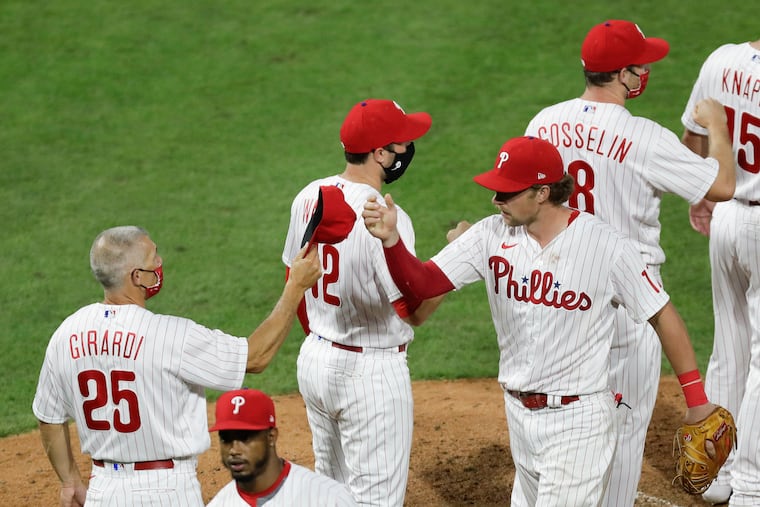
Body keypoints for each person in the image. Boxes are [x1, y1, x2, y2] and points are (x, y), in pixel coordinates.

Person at [362, 135, 722, 506]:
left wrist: (696, 399)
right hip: (519, 418)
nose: (495, 200)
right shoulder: (491, 235)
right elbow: (421, 284)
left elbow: (661, 312)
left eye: (507, 192)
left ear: (542, 193)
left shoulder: (607, 247)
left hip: (578, 423)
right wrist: (391, 240)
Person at [522, 19, 736, 506]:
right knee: (621, 428)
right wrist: (717, 129)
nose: (645, 72)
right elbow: (721, 186)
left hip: (556, 298)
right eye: (640, 66)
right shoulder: (644, 137)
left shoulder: (542, 123)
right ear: (622, 74)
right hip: (627, 305)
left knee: (559, 420)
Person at [31, 225, 321, 507]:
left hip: (104, 490)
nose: (160, 263)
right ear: (137, 277)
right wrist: (295, 286)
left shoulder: (67, 333)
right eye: (153, 258)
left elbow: (49, 414)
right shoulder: (170, 336)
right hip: (167, 491)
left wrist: (70, 481)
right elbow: (255, 357)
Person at [281, 98, 445, 506]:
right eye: (401, 143)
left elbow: (294, 280)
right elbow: (416, 310)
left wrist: (323, 337)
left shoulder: (309, 195)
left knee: (330, 492)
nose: (407, 150)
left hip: (316, 359)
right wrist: (451, 270)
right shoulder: (386, 216)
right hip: (371, 374)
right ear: (379, 154)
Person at [681, 38, 760, 506]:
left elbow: (693, 136)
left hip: (728, 214)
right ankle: (752, 487)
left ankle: (715, 474)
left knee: (730, 345)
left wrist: (701, 194)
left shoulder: (722, 59)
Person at [207, 388, 357, 506]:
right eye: (226, 440)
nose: (234, 450)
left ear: (271, 436)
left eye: (245, 438)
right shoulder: (220, 503)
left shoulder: (329, 498)